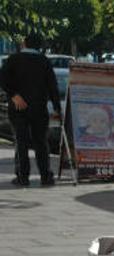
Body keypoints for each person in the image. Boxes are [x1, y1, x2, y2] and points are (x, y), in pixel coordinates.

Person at [0, 33, 61, 187]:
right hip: (39, 108)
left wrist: (13, 95)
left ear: (24, 44)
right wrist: (56, 108)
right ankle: (45, 176)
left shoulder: (13, 60)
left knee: (21, 142)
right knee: (41, 142)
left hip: (18, 107)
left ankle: (22, 176)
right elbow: (53, 86)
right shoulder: (44, 61)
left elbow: (3, 80)